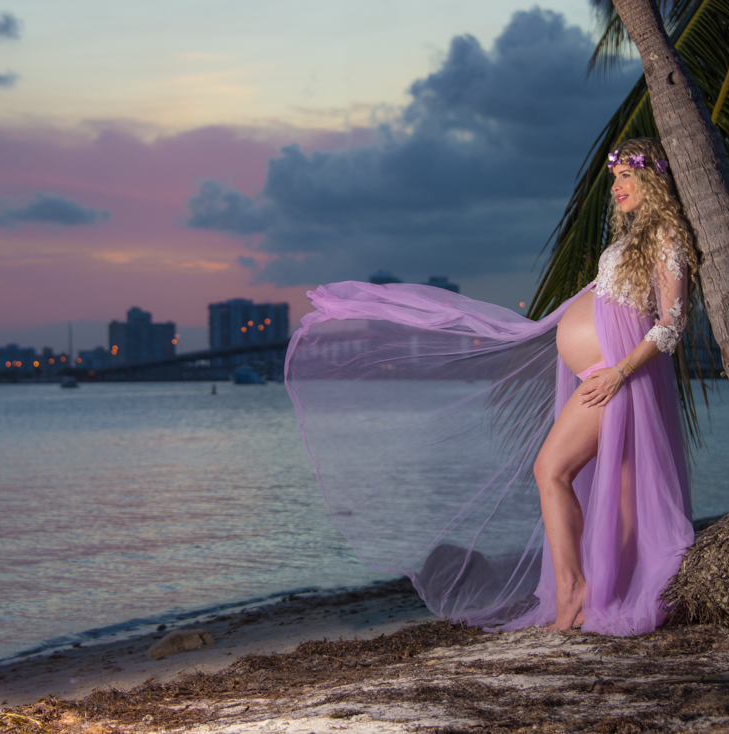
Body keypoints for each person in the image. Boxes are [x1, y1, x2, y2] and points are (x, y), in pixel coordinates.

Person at [285, 137, 698, 636]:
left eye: (626, 177)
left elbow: (671, 325)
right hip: (602, 378)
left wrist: (619, 372)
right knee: (600, 484)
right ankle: (587, 589)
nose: (617, 187)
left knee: (561, 473)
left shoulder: (666, 238)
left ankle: (580, 590)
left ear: (651, 179)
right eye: (614, 179)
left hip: (617, 379)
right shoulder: (627, 244)